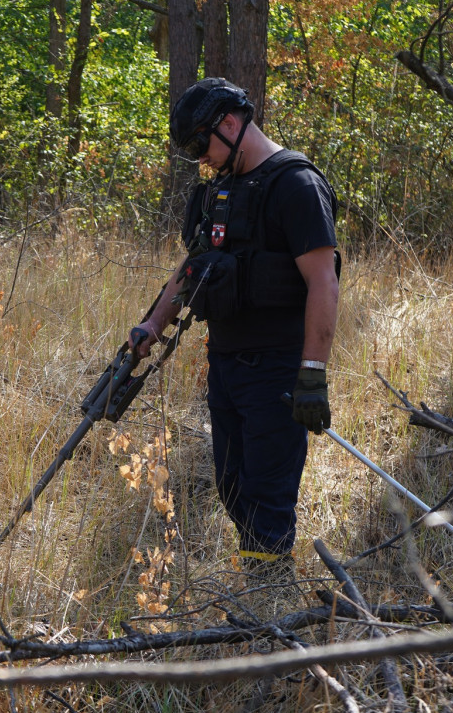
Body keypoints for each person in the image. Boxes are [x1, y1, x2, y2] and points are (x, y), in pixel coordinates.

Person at [131, 77, 340, 599]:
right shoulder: (217, 195)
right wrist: (152, 326)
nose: (201, 159)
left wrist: (313, 376)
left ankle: (269, 613)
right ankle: (262, 593)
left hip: (277, 371)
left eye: (203, 145)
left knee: (267, 499)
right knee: (231, 488)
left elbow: (323, 282)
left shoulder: (295, 185)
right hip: (225, 365)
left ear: (230, 123)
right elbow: (191, 268)